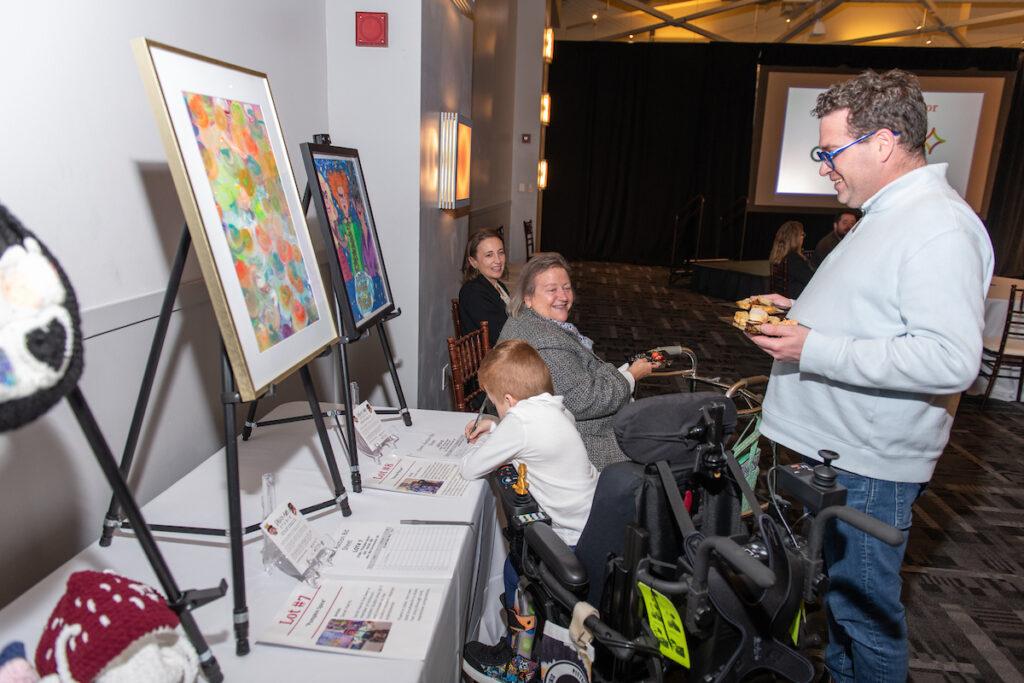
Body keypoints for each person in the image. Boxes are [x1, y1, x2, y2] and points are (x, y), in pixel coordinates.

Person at [749, 69, 993, 683]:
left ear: (882, 144)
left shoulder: (938, 226)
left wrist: (815, 347)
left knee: (866, 621)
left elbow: (949, 359)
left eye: (830, 151)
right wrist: (800, 318)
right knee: (842, 609)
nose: (825, 166)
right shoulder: (886, 213)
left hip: (870, 468)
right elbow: (877, 316)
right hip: (842, 456)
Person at [459, 339, 598, 683]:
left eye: (495, 404)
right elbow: (527, 435)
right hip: (592, 525)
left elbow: (470, 467)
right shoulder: (555, 408)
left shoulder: (520, 421)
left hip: (566, 538)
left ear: (508, 400)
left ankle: (518, 665)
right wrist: (497, 425)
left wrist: (500, 431)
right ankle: (527, 652)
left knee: (515, 570)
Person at [497, 253, 655, 470]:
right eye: (552, 290)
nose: (563, 296)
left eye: (567, 287)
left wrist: (624, 372)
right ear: (528, 297)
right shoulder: (546, 342)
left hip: (556, 430)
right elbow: (583, 401)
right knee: (669, 442)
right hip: (587, 443)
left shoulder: (523, 320)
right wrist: (631, 376)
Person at [458, 228, 509, 347]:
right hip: (493, 359)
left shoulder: (498, 285)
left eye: (501, 252)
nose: (498, 260)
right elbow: (501, 336)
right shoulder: (473, 293)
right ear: (473, 261)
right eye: (489, 255)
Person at [769, 220, 814, 298]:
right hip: (797, 301)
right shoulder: (794, 259)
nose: (803, 237)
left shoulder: (780, 256)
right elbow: (813, 280)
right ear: (795, 239)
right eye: (802, 234)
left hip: (783, 298)